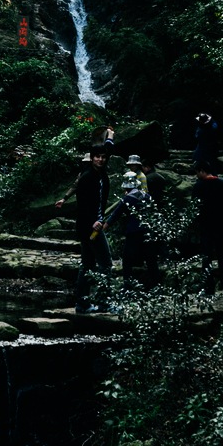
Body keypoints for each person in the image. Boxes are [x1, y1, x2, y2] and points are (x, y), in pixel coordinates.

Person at [73, 127, 115, 313]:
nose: (100, 159)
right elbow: (81, 205)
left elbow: (107, 149)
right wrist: (93, 222)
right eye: (97, 157)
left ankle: (82, 304)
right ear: (91, 158)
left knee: (88, 264)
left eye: (103, 157)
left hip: (92, 226)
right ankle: (103, 303)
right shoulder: (87, 177)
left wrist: (110, 136)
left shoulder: (100, 173)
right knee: (105, 263)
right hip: (90, 228)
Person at [105, 171, 160, 288]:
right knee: (151, 259)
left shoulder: (127, 199)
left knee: (127, 259)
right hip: (148, 231)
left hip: (133, 232)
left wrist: (104, 226)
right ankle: (155, 284)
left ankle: (128, 285)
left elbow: (115, 215)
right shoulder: (147, 196)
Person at [193, 162, 223, 295]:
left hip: (206, 226)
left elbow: (194, 208)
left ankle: (208, 287)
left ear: (202, 171)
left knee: (207, 258)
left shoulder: (198, 186)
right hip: (221, 225)